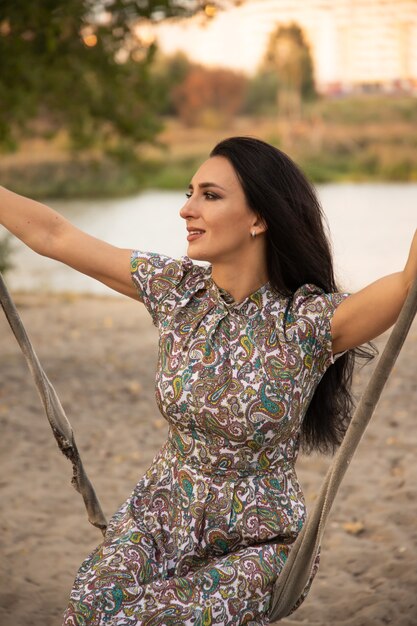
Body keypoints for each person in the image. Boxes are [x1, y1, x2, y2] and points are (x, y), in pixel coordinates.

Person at [1, 136, 416, 626]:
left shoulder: (307, 323)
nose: (186, 210)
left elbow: (408, 283)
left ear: (259, 218)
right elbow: (55, 236)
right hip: (157, 518)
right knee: (87, 610)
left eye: (210, 196)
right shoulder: (176, 292)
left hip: (257, 545)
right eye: (188, 192)